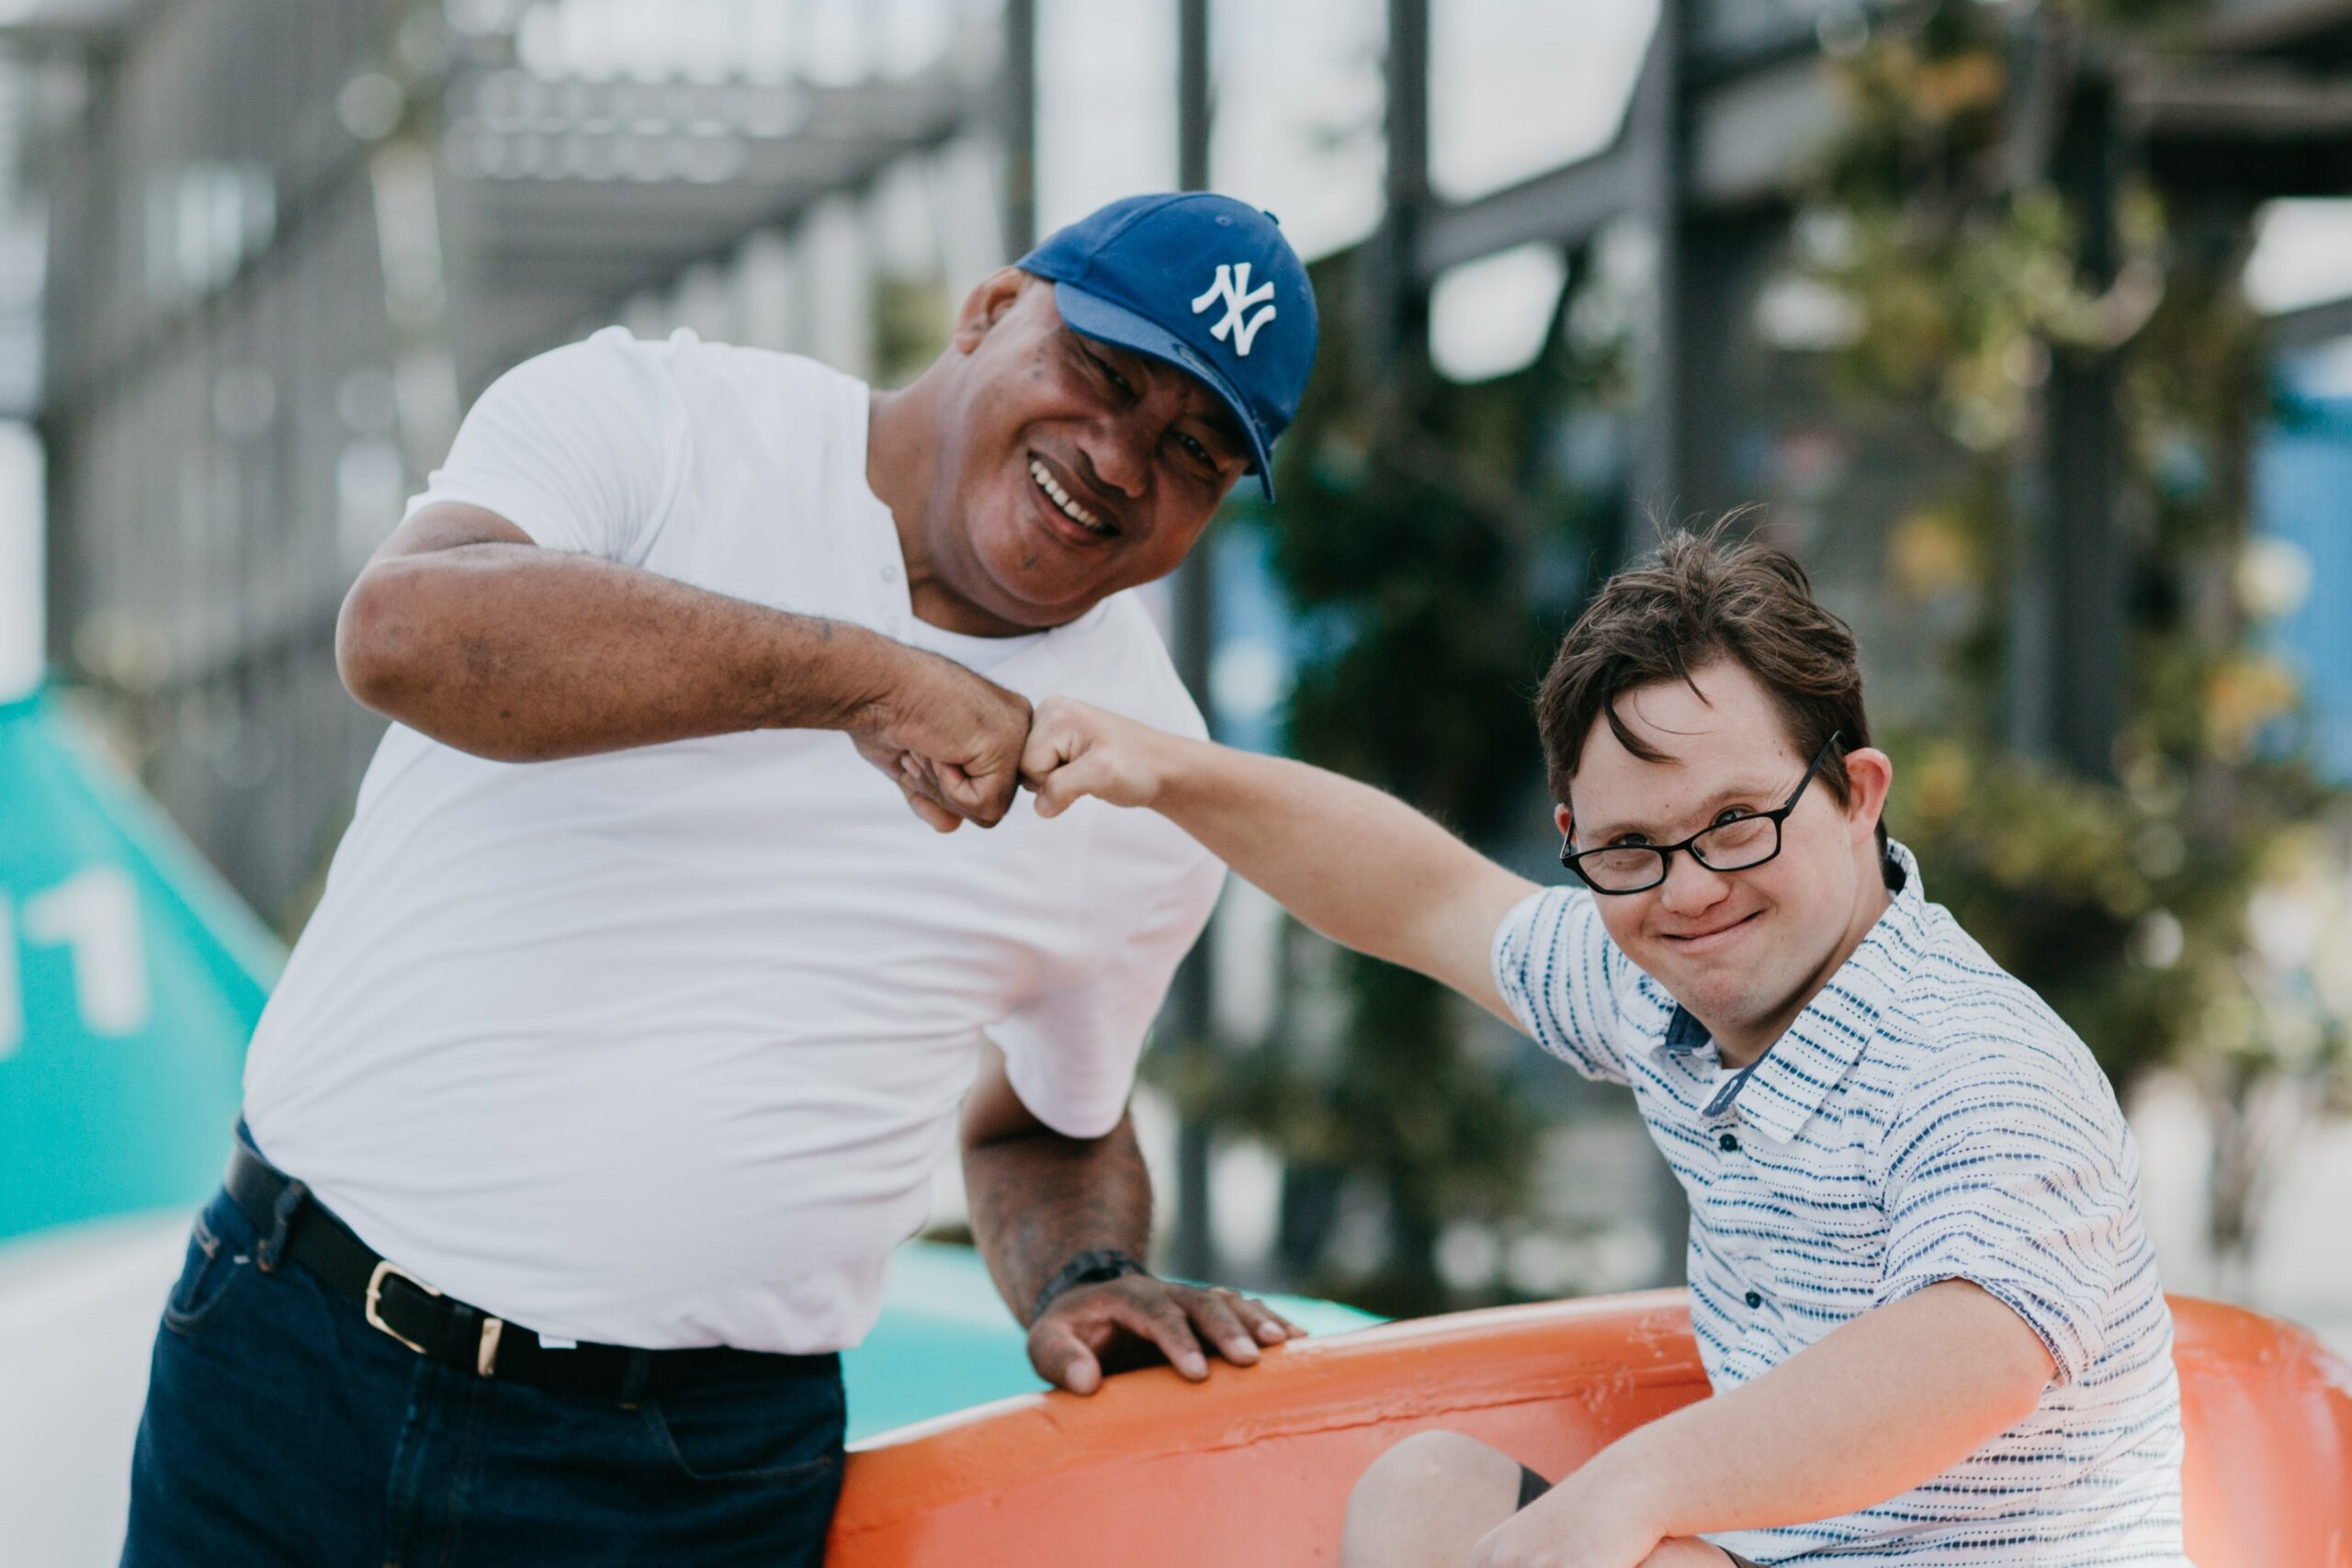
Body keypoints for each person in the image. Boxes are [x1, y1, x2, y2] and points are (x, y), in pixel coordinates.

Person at [120, 192, 1319, 1567]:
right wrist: (865, 678)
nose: (1117, 459)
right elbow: (405, 632)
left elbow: (1048, 1120)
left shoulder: (1144, 783)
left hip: (683, 1484)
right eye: (1102, 376)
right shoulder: (660, 416)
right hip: (295, 1358)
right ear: (990, 311)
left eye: (1191, 451)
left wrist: (1084, 1270)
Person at [1019, 529, 2188, 1568]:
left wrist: (1632, 1488)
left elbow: (1975, 1348)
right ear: (1580, 841)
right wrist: (1164, 770)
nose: (1689, 891)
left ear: (1855, 794)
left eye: (1736, 821)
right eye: (1631, 846)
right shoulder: (1659, 987)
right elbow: (1418, 894)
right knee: (1427, 1495)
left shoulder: (1980, 1067)